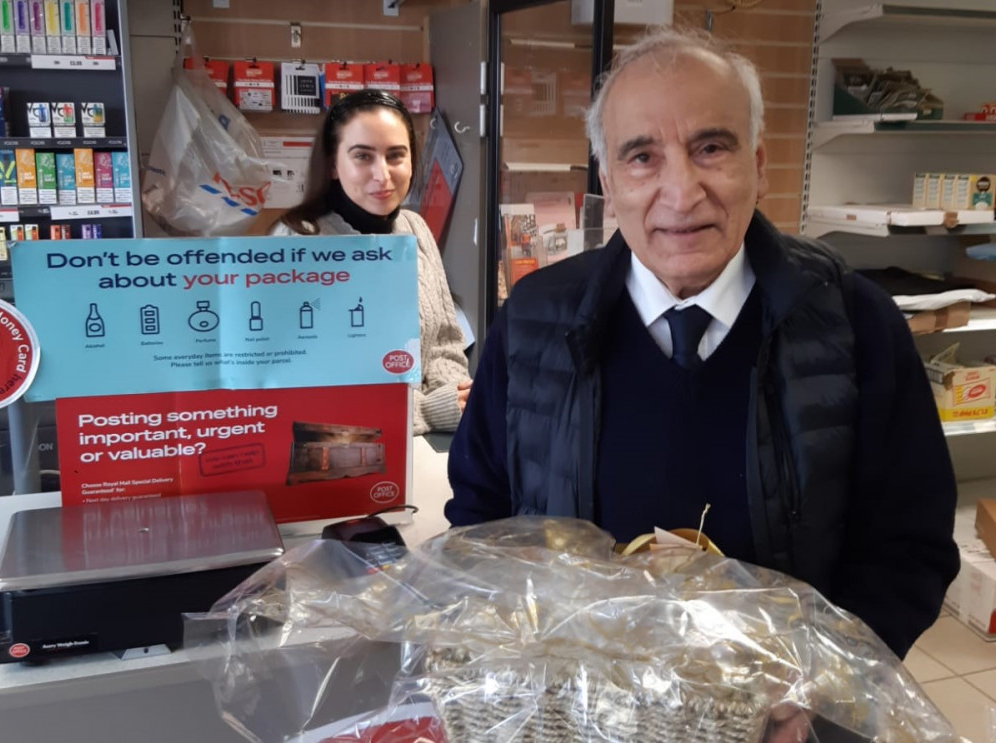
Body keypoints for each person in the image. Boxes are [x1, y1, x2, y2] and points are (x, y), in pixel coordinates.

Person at [445, 27, 959, 660]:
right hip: (577, 708)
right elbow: (481, 515)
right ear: (608, 178)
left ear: (760, 165)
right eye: (642, 157)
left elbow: (908, 545)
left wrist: (821, 689)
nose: (682, 193)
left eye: (711, 147)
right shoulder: (534, 320)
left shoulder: (856, 323)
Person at [270, 89, 471, 435]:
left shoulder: (414, 228)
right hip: (339, 454)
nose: (383, 174)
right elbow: (309, 389)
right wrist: (431, 410)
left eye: (396, 156)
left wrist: (458, 398)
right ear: (333, 164)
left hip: (426, 446)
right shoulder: (296, 243)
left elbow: (444, 343)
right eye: (363, 156)